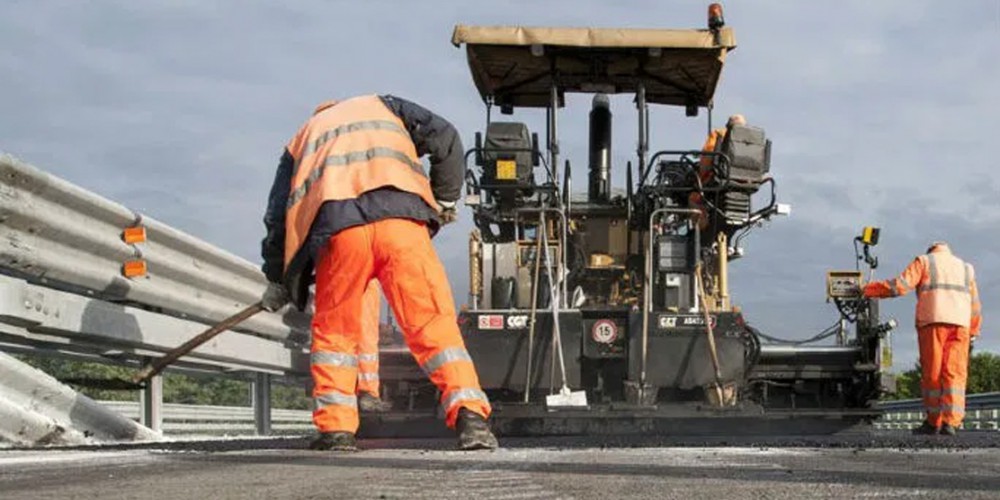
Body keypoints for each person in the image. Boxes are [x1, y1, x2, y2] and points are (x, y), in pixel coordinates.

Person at [259, 94, 497, 451]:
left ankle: (337, 431)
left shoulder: (303, 136)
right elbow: (445, 137)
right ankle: (471, 419)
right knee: (434, 325)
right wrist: (445, 199)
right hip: (402, 223)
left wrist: (277, 275)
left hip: (340, 233)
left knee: (335, 331)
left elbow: (278, 216)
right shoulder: (386, 107)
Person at [863, 241, 982, 436]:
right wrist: (974, 332)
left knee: (933, 374)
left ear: (931, 250)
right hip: (961, 326)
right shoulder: (966, 268)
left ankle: (933, 422)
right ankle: (951, 423)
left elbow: (900, 286)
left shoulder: (924, 261)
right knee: (955, 374)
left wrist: (868, 289)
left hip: (933, 321)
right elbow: (975, 305)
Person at [689, 114, 747, 229]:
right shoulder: (750, 139)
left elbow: (706, 162)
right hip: (745, 183)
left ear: (728, 125)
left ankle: (701, 235)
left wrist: (698, 178)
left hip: (720, 181)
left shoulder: (720, 134)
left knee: (692, 198)